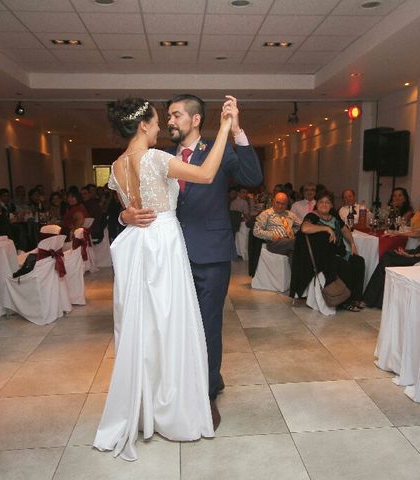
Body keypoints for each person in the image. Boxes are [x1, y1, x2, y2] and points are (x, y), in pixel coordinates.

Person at [93, 96, 234, 461]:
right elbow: (204, 175)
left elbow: (128, 208)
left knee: (145, 326)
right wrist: (222, 131)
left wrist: (126, 216)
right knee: (172, 325)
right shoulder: (155, 158)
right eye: (156, 122)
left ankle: (145, 404)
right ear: (142, 125)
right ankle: (172, 407)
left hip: (139, 246)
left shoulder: (116, 164)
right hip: (164, 244)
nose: (160, 127)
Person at [114, 93, 262, 439]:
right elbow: (131, 203)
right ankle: (176, 391)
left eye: (176, 115)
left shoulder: (219, 148)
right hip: (167, 256)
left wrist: (236, 129)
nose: (169, 121)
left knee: (207, 326)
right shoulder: (156, 157)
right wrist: (125, 215)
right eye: (166, 116)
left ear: (195, 120)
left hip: (209, 252)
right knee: (171, 328)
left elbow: (253, 177)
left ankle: (207, 393)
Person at [363, 188, 420, 308]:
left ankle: (372, 300)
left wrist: (412, 255)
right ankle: (376, 300)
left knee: (389, 257)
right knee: (388, 255)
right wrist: (398, 234)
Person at [298, 190, 366, 312]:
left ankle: (356, 297)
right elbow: (304, 228)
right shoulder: (312, 216)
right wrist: (326, 228)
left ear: (331, 205)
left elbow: (345, 230)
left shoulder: (334, 217)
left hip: (338, 252)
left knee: (358, 261)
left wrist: (352, 244)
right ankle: (345, 301)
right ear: (316, 204)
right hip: (322, 257)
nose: (324, 205)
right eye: (321, 202)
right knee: (345, 266)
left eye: (327, 202)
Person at [253, 192, 301, 257]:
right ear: (273, 201)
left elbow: (301, 226)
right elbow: (256, 231)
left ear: (287, 204)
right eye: (277, 203)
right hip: (274, 243)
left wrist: (292, 230)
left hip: (289, 241)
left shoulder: (290, 215)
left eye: (283, 204)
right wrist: (271, 236)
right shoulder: (266, 214)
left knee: (294, 253)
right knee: (296, 242)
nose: (280, 206)